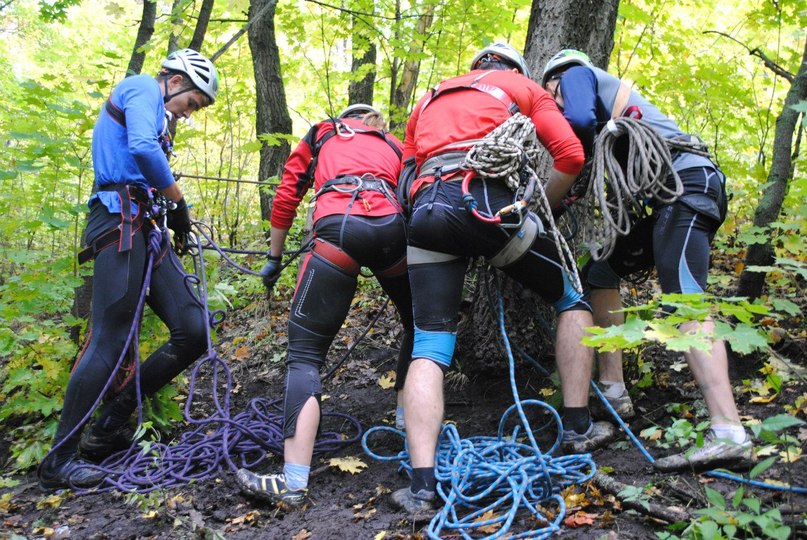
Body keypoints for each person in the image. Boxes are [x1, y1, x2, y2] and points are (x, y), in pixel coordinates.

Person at [390, 42, 614, 515]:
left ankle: (422, 487)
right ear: (515, 69)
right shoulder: (522, 86)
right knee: (572, 298)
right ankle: (577, 428)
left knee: (431, 342)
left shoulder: (428, 99)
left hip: (428, 209)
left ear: (475, 67)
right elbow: (571, 154)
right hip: (489, 206)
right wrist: (537, 208)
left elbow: (405, 173)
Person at [541, 49, 752, 471]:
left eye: (552, 96)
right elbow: (583, 175)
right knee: (600, 272)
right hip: (675, 199)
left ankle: (729, 431)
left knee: (685, 304)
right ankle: (613, 389)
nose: (554, 102)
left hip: (687, 188)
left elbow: (579, 122)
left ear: (553, 80)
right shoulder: (609, 116)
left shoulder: (575, 74)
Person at [37, 49, 219, 490]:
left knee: (194, 329)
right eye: (192, 103)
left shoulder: (158, 114)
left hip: (144, 224)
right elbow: (139, 147)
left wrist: (170, 209)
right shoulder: (141, 88)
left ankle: (108, 427)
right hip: (118, 221)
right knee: (110, 339)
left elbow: (145, 152)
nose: (190, 114)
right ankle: (57, 461)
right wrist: (178, 201)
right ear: (174, 82)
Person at [235, 105, 415, 508]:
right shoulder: (393, 143)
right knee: (417, 326)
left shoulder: (322, 133)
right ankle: (409, 434)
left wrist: (275, 257)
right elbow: (414, 193)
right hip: (391, 230)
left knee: (304, 355)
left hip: (338, 227)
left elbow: (288, 192)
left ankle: (293, 482)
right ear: (375, 123)